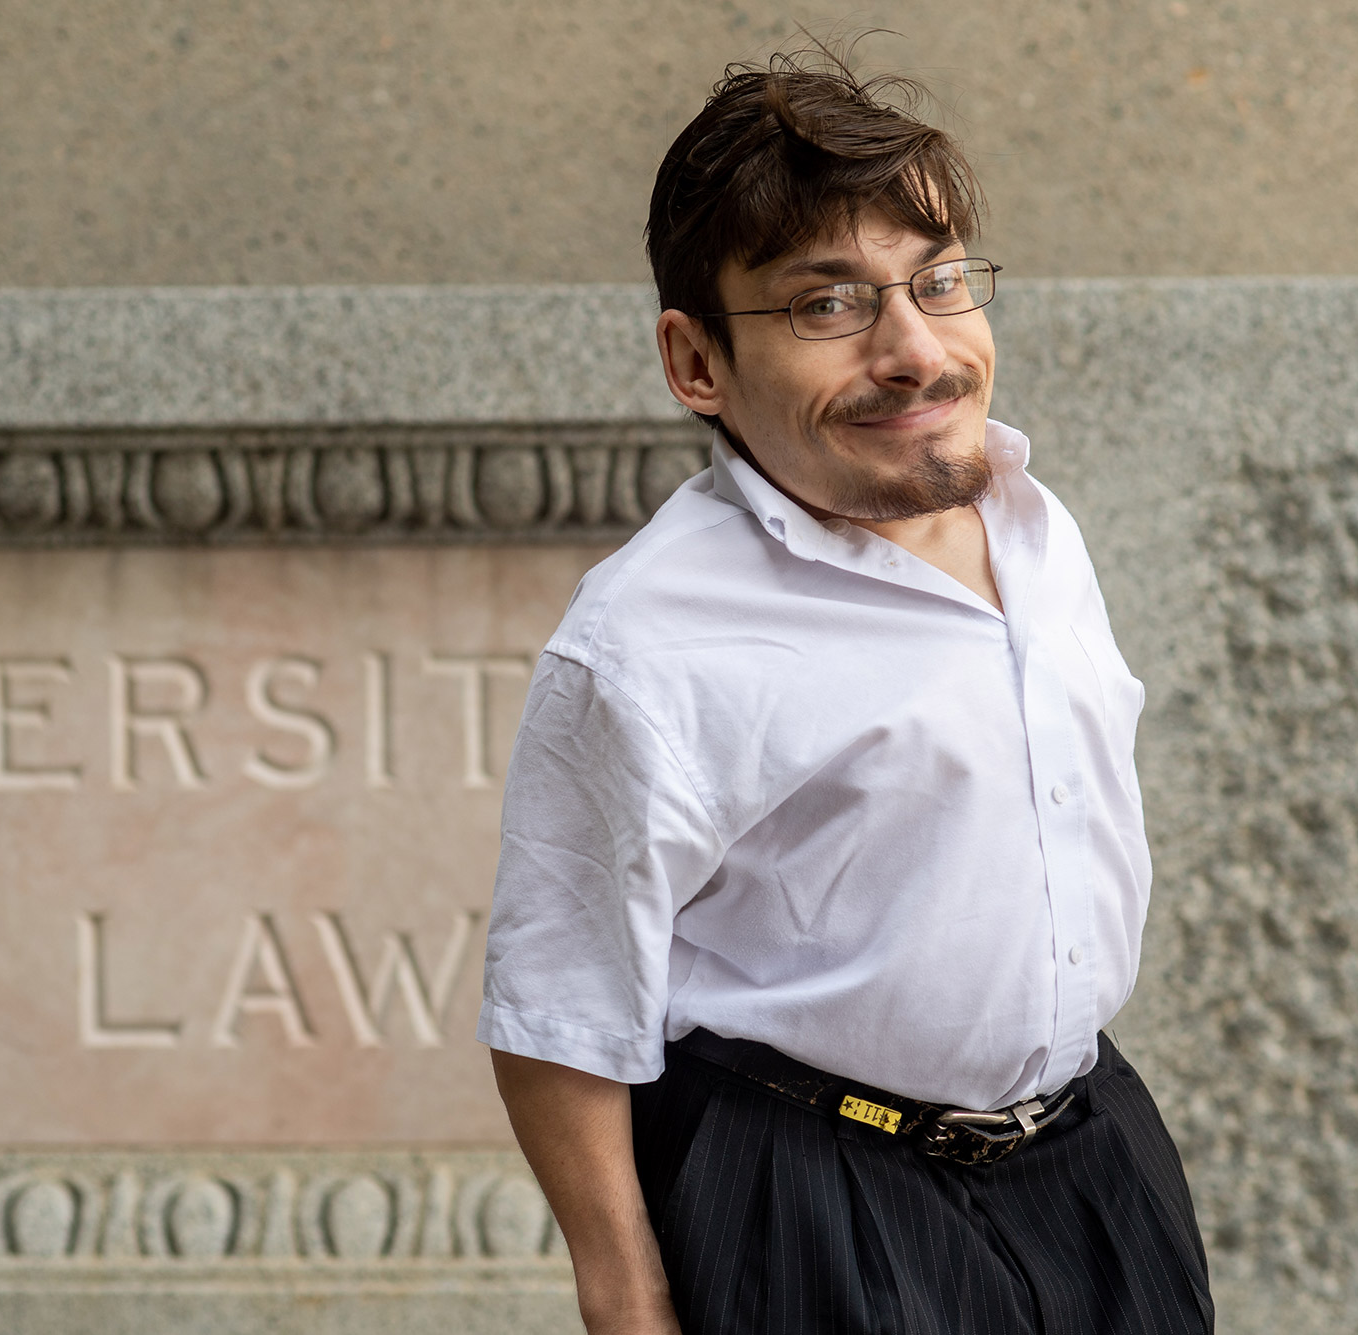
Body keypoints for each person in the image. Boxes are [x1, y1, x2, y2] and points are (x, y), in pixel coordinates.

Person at [476, 48, 1213, 1335]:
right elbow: (559, 994)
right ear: (695, 362)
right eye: (827, 305)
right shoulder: (643, 642)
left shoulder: (1038, 531)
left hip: (1090, 1158)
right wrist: (626, 1293)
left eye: (938, 284)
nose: (915, 352)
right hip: (812, 1202)